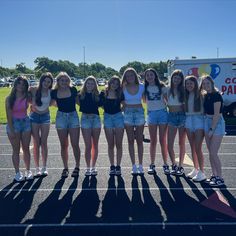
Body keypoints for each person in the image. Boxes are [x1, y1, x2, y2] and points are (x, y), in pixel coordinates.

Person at [51, 72, 80, 178]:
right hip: (61, 118)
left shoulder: (73, 90)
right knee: (64, 145)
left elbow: (79, 103)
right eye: (62, 80)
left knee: (75, 144)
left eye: (66, 80)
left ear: (69, 81)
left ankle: (77, 167)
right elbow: (49, 102)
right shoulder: (54, 92)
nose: (64, 82)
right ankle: (65, 168)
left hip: (73, 117)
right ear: (58, 81)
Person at [5, 76, 33, 182]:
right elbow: (8, 116)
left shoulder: (27, 96)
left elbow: (36, 98)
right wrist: (11, 130)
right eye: (19, 83)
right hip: (14, 124)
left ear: (26, 86)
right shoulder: (9, 98)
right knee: (16, 150)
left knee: (26, 149)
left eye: (23, 84)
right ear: (15, 84)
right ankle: (17, 173)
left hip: (26, 123)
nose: (21, 86)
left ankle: (28, 171)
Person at [143, 68, 169, 175]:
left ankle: (165, 164)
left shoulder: (162, 86)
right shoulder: (144, 88)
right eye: (147, 75)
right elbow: (144, 101)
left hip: (162, 114)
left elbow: (167, 100)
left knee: (163, 140)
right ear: (145, 77)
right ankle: (152, 164)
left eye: (151, 74)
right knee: (153, 141)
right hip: (152, 114)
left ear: (155, 75)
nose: (149, 77)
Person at [200, 75, 225, 187]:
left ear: (212, 83)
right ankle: (214, 175)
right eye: (204, 84)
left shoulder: (217, 95)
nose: (206, 85)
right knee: (210, 153)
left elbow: (216, 115)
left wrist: (211, 129)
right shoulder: (206, 95)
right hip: (207, 121)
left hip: (217, 123)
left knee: (214, 153)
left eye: (207, 83)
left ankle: (220, 177)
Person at [29, 72, 53, 177]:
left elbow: (53, 103)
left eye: (49, 82)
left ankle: (44, 167)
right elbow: (23, 95)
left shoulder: (51, 92)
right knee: (36, 143)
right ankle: (37, 168)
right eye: (45, 81)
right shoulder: (34, 89)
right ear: (41, 80)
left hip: (45, 118)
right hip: (34, 117)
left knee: (44, 142)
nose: (46, 83)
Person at [122, 67, 145, 175]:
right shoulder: (123, 88)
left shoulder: (142, 87)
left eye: (131, 75)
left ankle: (141, 165)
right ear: (125, 77)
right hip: (128, 114)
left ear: (135, 76)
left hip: (139, 113)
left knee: (139, 140)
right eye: (127, 76)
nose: (130, 77)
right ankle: (133, 166)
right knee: (130, 140)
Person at [100, 75, 124, 175]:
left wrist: (119, 111)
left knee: (119, 144)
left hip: (118, 118)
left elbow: (124, 104)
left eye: (117, 83)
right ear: (109, 82)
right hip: (107, 118)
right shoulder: (103, 93)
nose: (114, 85)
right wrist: (106, 111)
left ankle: (118, 166)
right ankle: (112, 166)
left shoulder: (120, 93)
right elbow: (100, 104)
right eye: (113, 82)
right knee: (110, 144)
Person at [78, 76, 102, 176]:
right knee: (88, 145)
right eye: (88, 83)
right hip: (85, 120)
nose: (90, 85)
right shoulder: (80, 94)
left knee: (95, 145)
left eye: (92, 83)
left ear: (95, 85)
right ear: (85, 84)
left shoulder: (98, 95)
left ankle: (93, 167)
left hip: (96, 119)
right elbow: (78, 104)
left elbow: (102, 105)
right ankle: (88, 168)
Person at [184, 75, 206, 181]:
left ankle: (202, 172)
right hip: (188, 121)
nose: (189, 85)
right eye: (187, 84)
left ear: (195, 84)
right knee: (192, 147)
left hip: (199, 121)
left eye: (191, 83)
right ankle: (195, 169)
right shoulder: (185, 95)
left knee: (198, 147)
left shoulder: (201, 94)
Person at [166, 69, 186, 175]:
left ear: (181, 79)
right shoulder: (167, 90)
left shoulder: (183, 90)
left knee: (181, 143)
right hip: (171, 117)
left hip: (182, 116)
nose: (176, 79)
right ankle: (173, 164)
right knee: (169, 144)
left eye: (179, 78)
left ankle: (180, 166)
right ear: (172, 78)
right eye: (175, 77)